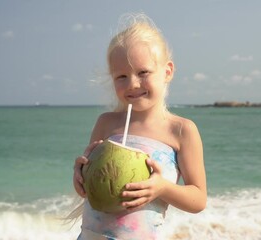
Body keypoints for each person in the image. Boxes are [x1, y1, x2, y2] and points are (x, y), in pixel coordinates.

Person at [72, 13, 207, 240]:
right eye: (121, 76)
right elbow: (92, 192)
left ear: (167, 72)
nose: (132, 84)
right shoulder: (106, 123)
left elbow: (199, 199)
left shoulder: (181, 130)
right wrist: (80, 176)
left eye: (143, 72)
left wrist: (162, 188)